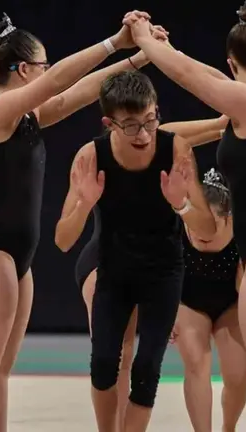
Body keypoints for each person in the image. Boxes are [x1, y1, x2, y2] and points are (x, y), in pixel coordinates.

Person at [0, 12, 168, 432]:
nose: (49, 72)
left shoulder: (28, 117)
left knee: (0, 372)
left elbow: (81, 92)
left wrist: (139, 57)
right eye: (44, 64)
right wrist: (114, 42)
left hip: (17, 258)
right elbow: (57, 83)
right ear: (24, 70)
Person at [124, 4, 246, 431]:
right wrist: (168, 47)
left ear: (233, 63)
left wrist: (142, 40)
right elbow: (208, 77)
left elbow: (191, 78)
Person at [58, 69, 217, 432]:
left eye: (150, 120)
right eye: (131, 126)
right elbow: (62, 240)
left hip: (163, 272)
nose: (144, 134)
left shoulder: (176, 149)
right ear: (109, 124)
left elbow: (207, 229)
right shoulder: (91, 156)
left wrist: (182, 205)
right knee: (104, 364)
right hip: (113, 271)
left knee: (146, 369)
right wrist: (84, 204)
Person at [169, 168, 246, 432]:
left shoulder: (243, 231)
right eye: (197, 222)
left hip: (231, 302)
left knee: (237, 374)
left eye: (211, 223)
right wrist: (163, 313)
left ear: (228, 217)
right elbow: (158, 273)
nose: (202, 231)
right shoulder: (175, 226)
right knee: (196, 364)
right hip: (188, 300)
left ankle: (229, 427)